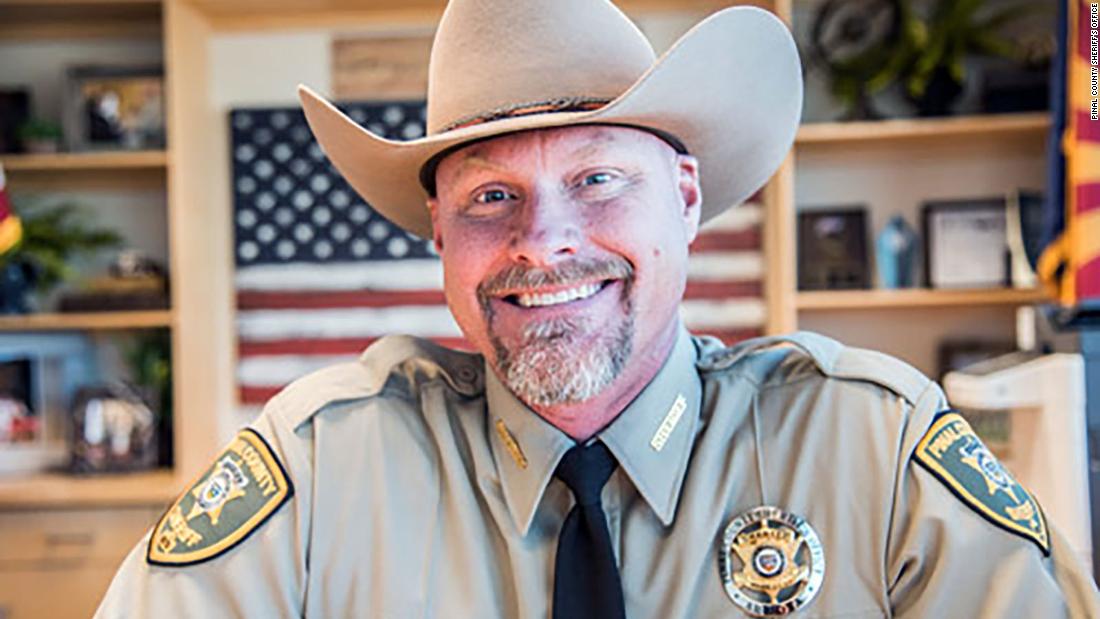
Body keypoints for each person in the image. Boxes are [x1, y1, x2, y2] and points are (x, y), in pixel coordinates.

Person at [96, 0, 1100, 617]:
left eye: (597, 179)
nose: (544, 242)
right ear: (439, 233)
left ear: (686, 199)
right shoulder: (322, 470)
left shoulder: (870, 452)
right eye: (491, 196)